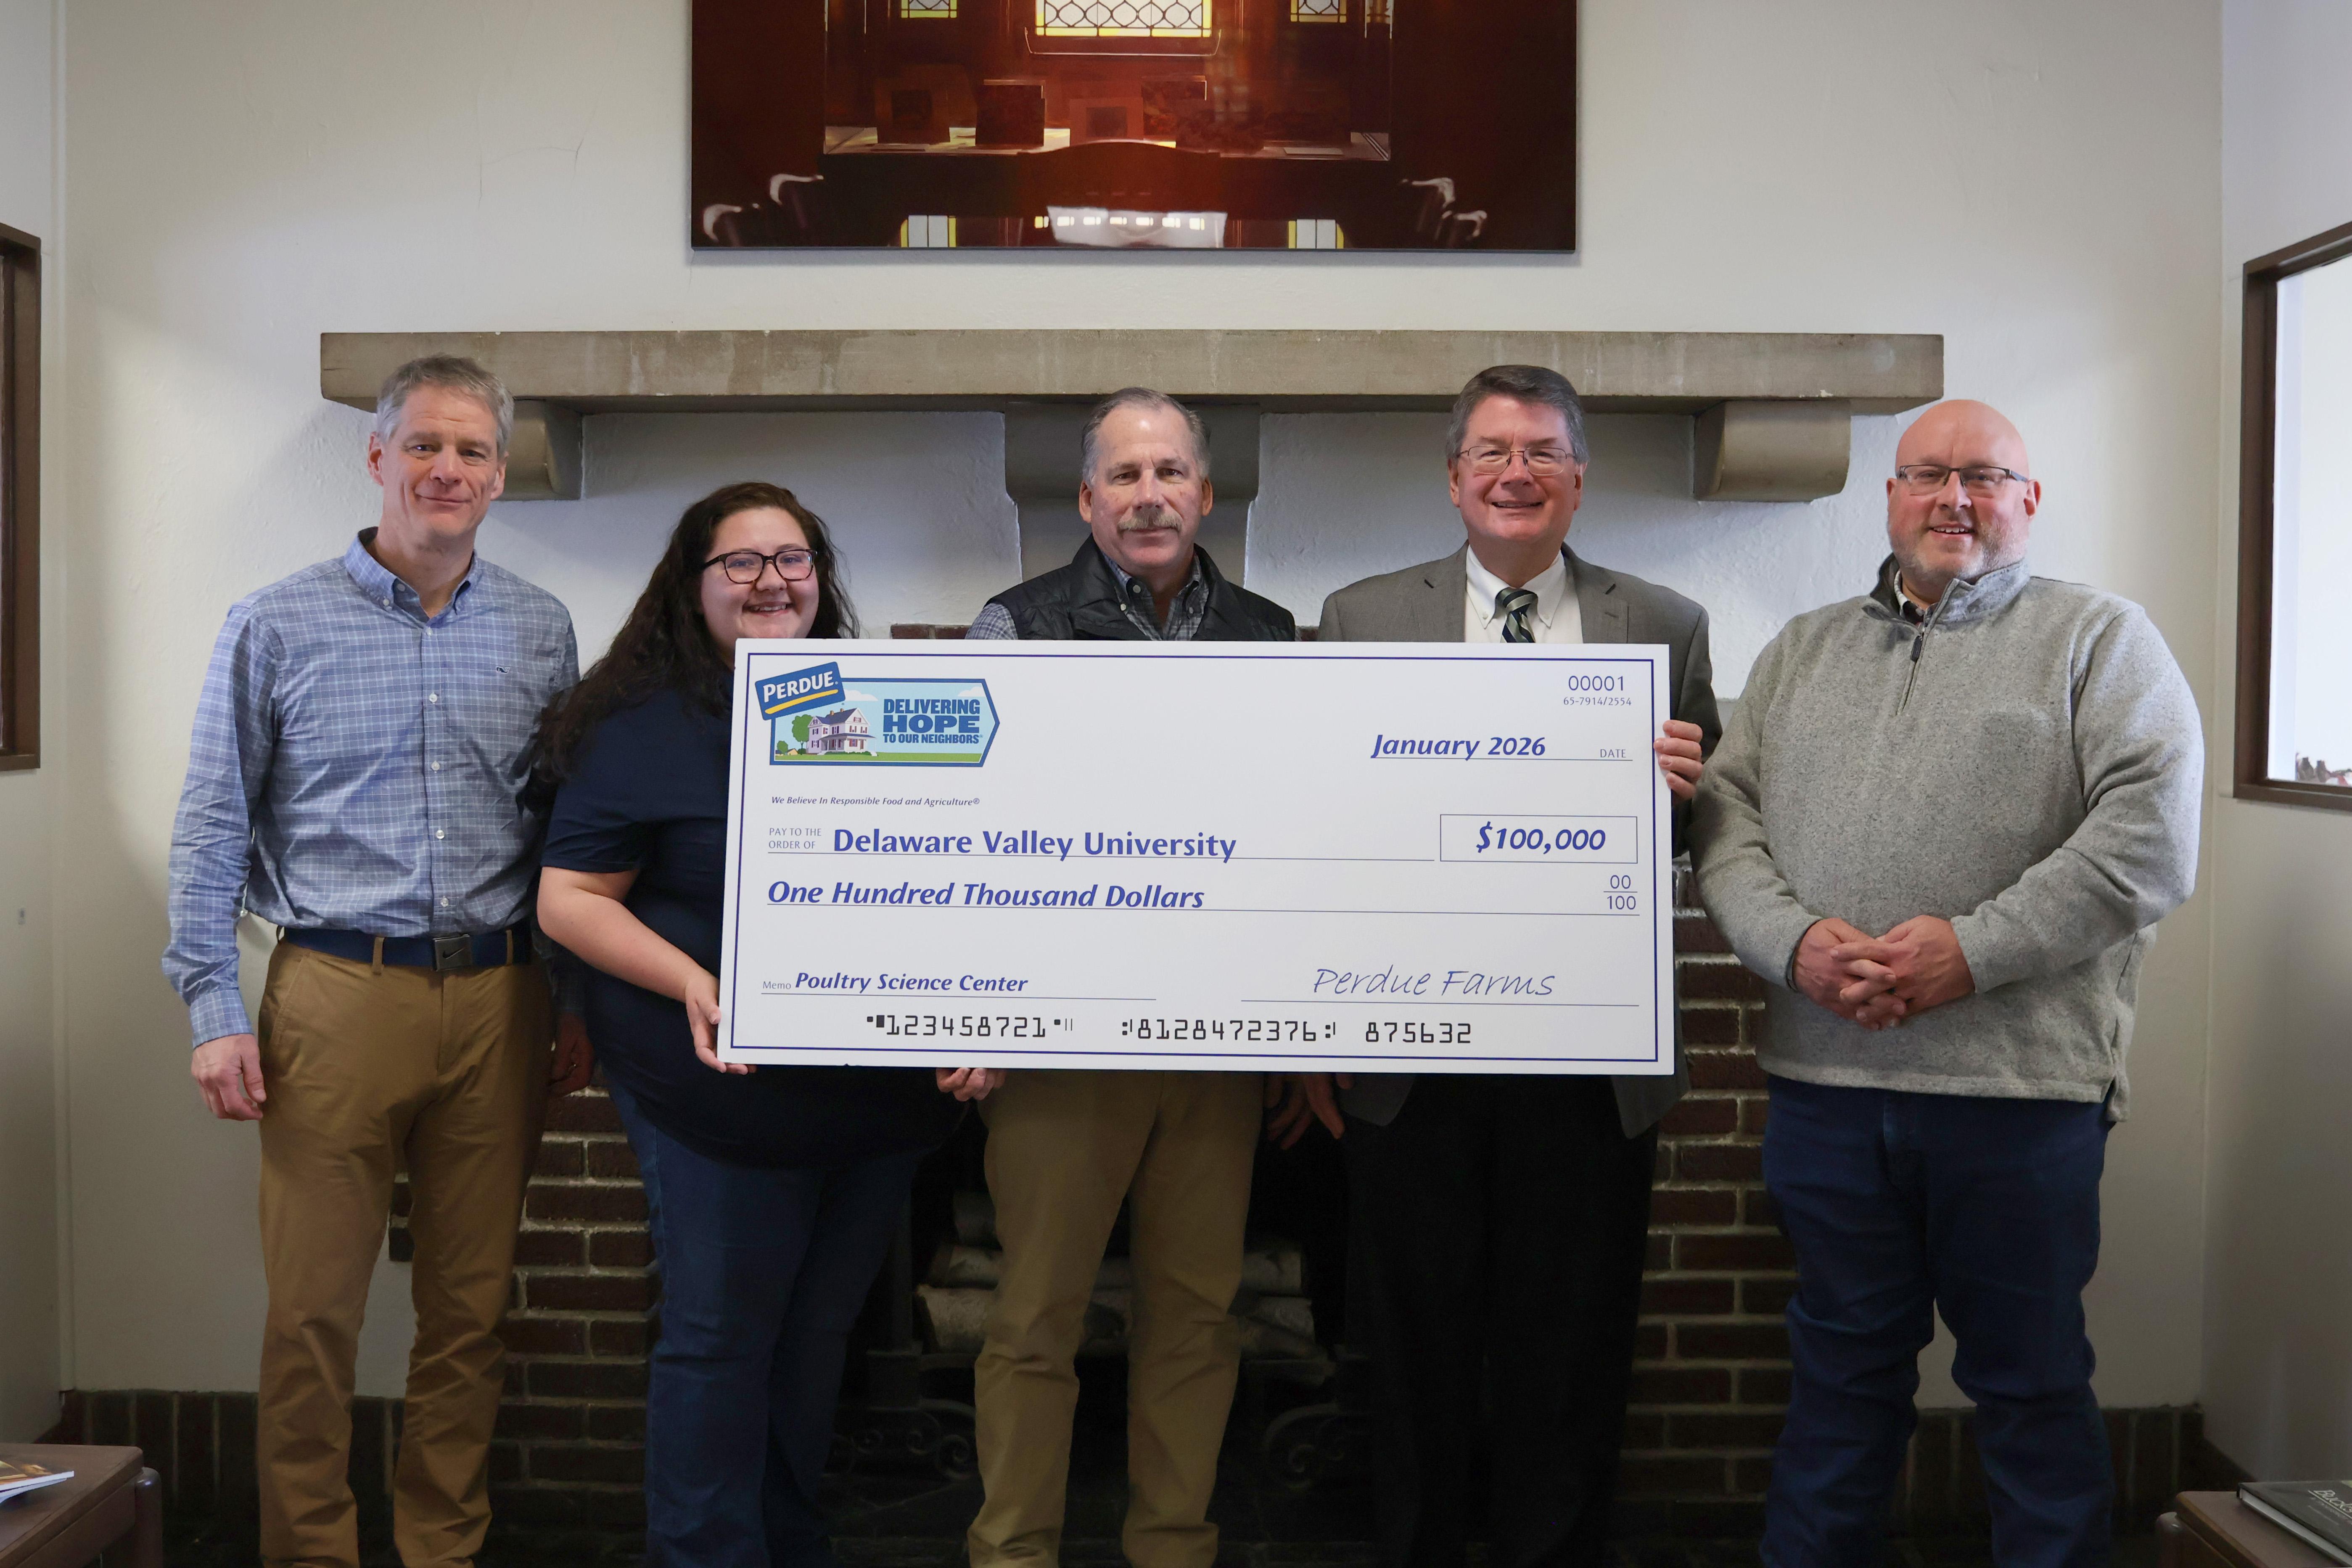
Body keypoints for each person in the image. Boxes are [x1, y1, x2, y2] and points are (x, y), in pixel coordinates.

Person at [1691, 399, 2202, 1568]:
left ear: (2027, 499)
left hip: (2018, 1099)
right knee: (1834, 1387)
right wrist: (1797, 944)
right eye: (1925, 476)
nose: (1951, 499)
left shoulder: (2101, 640)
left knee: (2027, 1389)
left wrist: (1965, 951)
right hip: (1824, 1088)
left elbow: (2148, 840)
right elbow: (1726, 826)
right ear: (1888, 497)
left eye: (1982, 476)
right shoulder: (1799, 650)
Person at [163, 355, 595, 1568]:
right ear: (377, 457)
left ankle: (439, 1549)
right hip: (336, 995)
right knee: (312, 1313)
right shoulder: (276, 619)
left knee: (469, 1315)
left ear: (500, 476)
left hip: (504, 997)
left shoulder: (539, 627)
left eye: (470, 451)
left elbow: (562, 828)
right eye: (423, 446)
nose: (446, 469)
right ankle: (310, 1553)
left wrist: (571, 997)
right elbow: (210, 824)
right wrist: (211, 1007)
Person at [1308, 363, 1717, 1568]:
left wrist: (1682, 793)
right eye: (1491, 452)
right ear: (1451, 480)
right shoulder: (1358, 618)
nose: (1515, 473)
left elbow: (1696, 844)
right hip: (1409, 1056)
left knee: (1570, 1352)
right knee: (1414, 1352)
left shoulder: (1665, 625)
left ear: (1579, 482)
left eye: (1542, 452)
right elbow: (1327, 832)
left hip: (1586, 1065)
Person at [535, 480, 985, 1568]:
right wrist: (696, 979)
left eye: (792, 559)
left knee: (812, 1339)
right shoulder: (641, 727)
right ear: (690, 588)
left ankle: (786, 1541)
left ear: (819, 582)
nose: (770, 580)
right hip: (716, 1096)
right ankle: (702, 1555)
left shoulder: (871, 713)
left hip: (869, 1105)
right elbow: (570, 899)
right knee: (720, 1341)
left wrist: (985, 1006)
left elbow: (962, 874)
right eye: (739, 562)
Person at [962, 388, 1314, 1568]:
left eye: (1169, 472)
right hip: (1056, 1050)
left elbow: (1294, 840)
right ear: (1086, 499)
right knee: (1033, 1321)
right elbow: (967, 838)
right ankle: (1013, 1551)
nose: (1148, 493)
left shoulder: (1273, 637)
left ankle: (1173, 1547)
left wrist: (1301, 1028)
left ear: (1205, 495)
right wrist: (978, 1008)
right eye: (1123, 474)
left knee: (1196, 1323)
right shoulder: (1016, 626)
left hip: (1213, 1052)